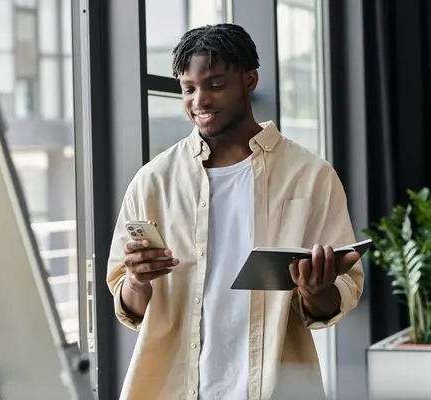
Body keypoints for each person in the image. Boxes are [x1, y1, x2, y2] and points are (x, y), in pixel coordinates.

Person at [107, 23, 364, 400]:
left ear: (249, 80)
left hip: (277, 389)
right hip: (173, 389)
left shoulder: (310, 176)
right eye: (188, 89)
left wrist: (317, 288)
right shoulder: (153, 181)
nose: (200, 101)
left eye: (215, 84)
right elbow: (131, 308)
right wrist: (137, 280)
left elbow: (339, 295)